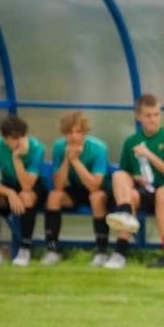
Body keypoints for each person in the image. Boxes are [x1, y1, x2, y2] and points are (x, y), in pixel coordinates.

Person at [105, 94, 164, 269]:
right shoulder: (131, 141)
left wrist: (149, 156)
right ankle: (120, 251)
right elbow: (125, 175)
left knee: (163, 193)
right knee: (120, 177)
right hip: (145, 192)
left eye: (156, 114)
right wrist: (135, 178)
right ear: (138, 117)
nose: (153, 119)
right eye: (148, 115)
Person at [44, 111, 115, 266]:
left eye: (78, 132)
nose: (74, 136)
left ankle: (101, 251)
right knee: (54, 197)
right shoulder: (59, 147)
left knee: (96, 198)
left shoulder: (98, 148)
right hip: (76, 188)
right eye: (69, 132)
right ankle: (52, 249)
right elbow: (58, 185)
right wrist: (66, 160)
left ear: (85, 133)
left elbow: (95, 185)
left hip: (100, 189)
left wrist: (75, 161)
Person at [0, 116, 47, 266]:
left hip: (34, 187)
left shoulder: (36, 148)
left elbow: (27, 185)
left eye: (22, 136)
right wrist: (9, 193)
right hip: (9, 185)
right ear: (4, 138)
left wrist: (16, 158)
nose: (20, 141)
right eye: (14, 138)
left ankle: (24, 250)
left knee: (26, 196)